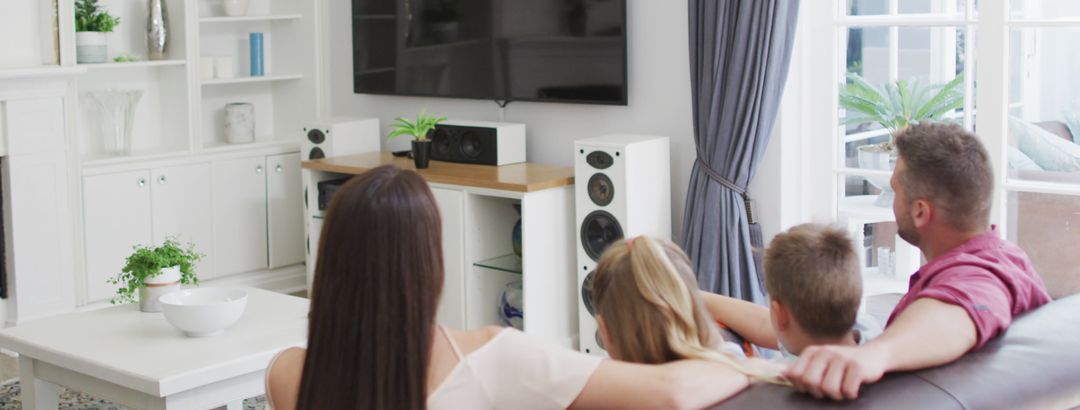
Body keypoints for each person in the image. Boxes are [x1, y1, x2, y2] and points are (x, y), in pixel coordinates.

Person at [265, 165, 752, 410]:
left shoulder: (286, 373)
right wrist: (747, 363)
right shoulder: (491, 357)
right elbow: (672, 392)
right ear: (428, 263)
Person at [785, 122, 1051, 400]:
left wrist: (874, 355)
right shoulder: (1008, 257)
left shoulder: (978, 276)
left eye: (895, 190)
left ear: (921, 212)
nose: (892, 200)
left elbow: (967, 304)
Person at [590, 235, 785, 383]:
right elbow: (772, 326)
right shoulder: (735, 359)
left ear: (604, 329)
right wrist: (677, 293)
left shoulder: (604, 390)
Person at [700, 224, 879, 360]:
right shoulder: (870, 332)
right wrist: (694, 296)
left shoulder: (778, 376)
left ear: (780, 315)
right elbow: (762, 323)